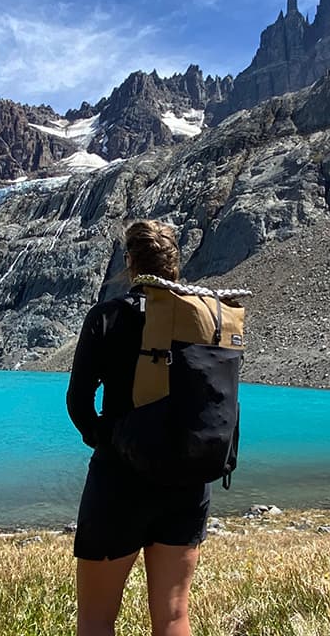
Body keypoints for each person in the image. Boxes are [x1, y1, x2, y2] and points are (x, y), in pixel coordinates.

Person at [66, 220, 208, 636]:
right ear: (175, 264)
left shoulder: (107, 317)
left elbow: (78, 403)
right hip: (188, 478)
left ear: (129, 261)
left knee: (96, 620)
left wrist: (110, 444)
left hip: (119, 481)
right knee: (173, 616)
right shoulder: (203, 319)